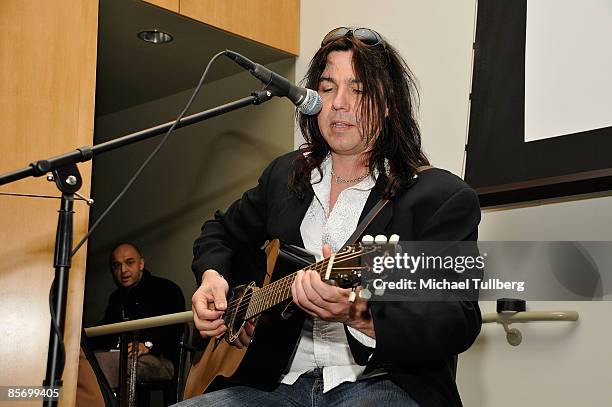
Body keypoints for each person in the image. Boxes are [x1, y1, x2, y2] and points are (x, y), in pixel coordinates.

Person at [182, 27, 481, 407]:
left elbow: (459, 320)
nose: (339, 103)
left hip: (381, 383)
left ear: (389, 104)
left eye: (358, 90)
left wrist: (359, 313)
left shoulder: (439, 197)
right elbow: (220, 232)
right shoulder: (285, 176)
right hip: (274, 383)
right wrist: (214, 278)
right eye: (327, 88)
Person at [94, 242, 185, 382]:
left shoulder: (166, 289)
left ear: (141, 264)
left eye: (129, 262)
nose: (123, 270)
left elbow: (175, 331)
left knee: (117, 367)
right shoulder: (117, 298)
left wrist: (148, 345)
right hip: (121, 356)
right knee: (87, 366)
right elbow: (106, 331)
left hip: (161, 358)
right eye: (117, 265)